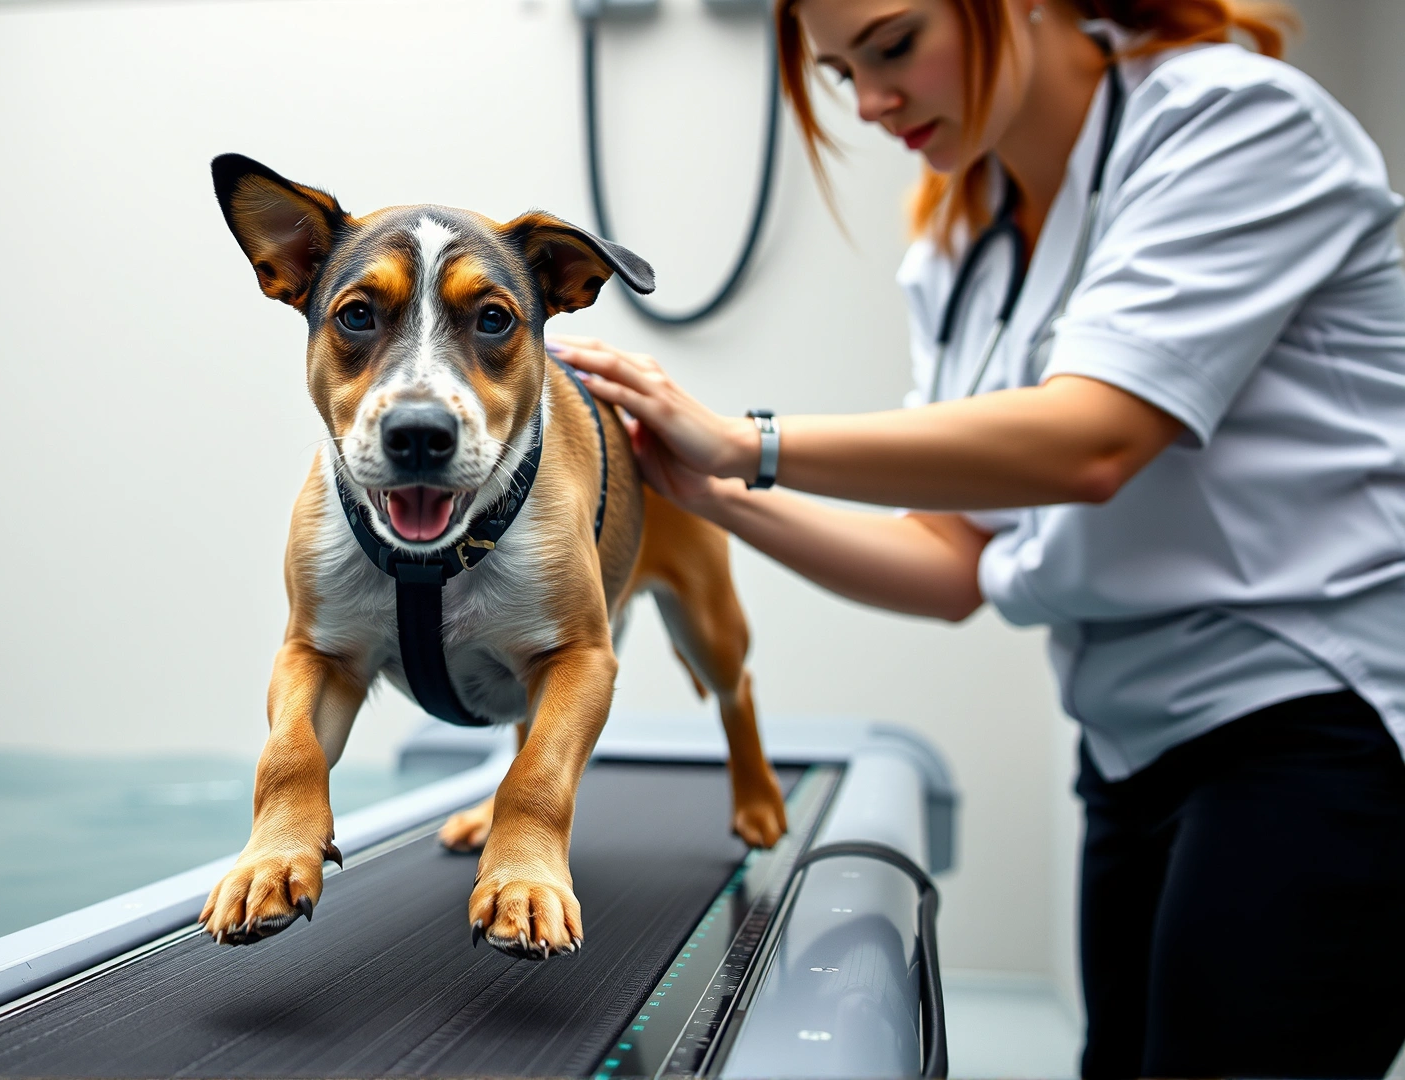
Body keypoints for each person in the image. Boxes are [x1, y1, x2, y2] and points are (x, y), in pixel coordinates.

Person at [549, 0, 1405, 1076]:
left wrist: (743, 441)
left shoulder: (1231, 120)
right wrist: (707, 488)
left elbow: (1093, 439)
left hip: (1315, 723)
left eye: (896, 46)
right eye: (839, 75)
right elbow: (951, 563)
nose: (869, 104)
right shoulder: (962, 237)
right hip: (1131, 747)